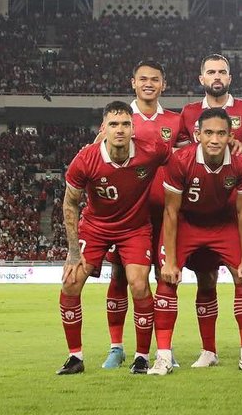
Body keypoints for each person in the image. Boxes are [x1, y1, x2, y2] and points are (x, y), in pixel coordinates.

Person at [148, 108, 242, 375]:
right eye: (209, 133)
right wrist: (169, 260)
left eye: (221, 133)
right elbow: (171, 211)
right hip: (187, 223)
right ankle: (164, 356)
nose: (214, 139)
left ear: (230, 136)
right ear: (197, 134)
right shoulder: (181, 159)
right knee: (167, 279)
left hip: (224, 224)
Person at [56, 101, 169, 375]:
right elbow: (70, 204)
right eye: (113, 124)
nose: (120, 130)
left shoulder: (151, 149)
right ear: (103, 129)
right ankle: (75, 357)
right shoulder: (85, 159)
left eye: (126, 124)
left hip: (135, 227)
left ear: (133, 128)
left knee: (139, 285)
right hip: (96, 226)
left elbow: (183, 156)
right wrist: (73, 252)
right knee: (71, 282)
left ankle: (142, 356)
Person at [173, 54, 242, 363]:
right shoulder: (189, 113)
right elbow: (180, 154)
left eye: (222, 71)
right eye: (211, 71)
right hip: (195, 209)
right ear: (202, 78)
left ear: (230, 78)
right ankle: (209, 351)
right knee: (205, 279)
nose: (217, 76)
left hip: (234, 210)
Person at [101, 60, 182, 371]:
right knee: (120, 277)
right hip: (126, 215)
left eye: (155, 79)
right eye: (143, 79)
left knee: (166, 277)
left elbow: (190, 155)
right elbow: (99, 155)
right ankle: (116, 347)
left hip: (165, 213)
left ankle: (164, 347)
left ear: (163, 84)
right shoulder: (120, 119)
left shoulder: (175, 122)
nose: (149, 83)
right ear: (133, 83)